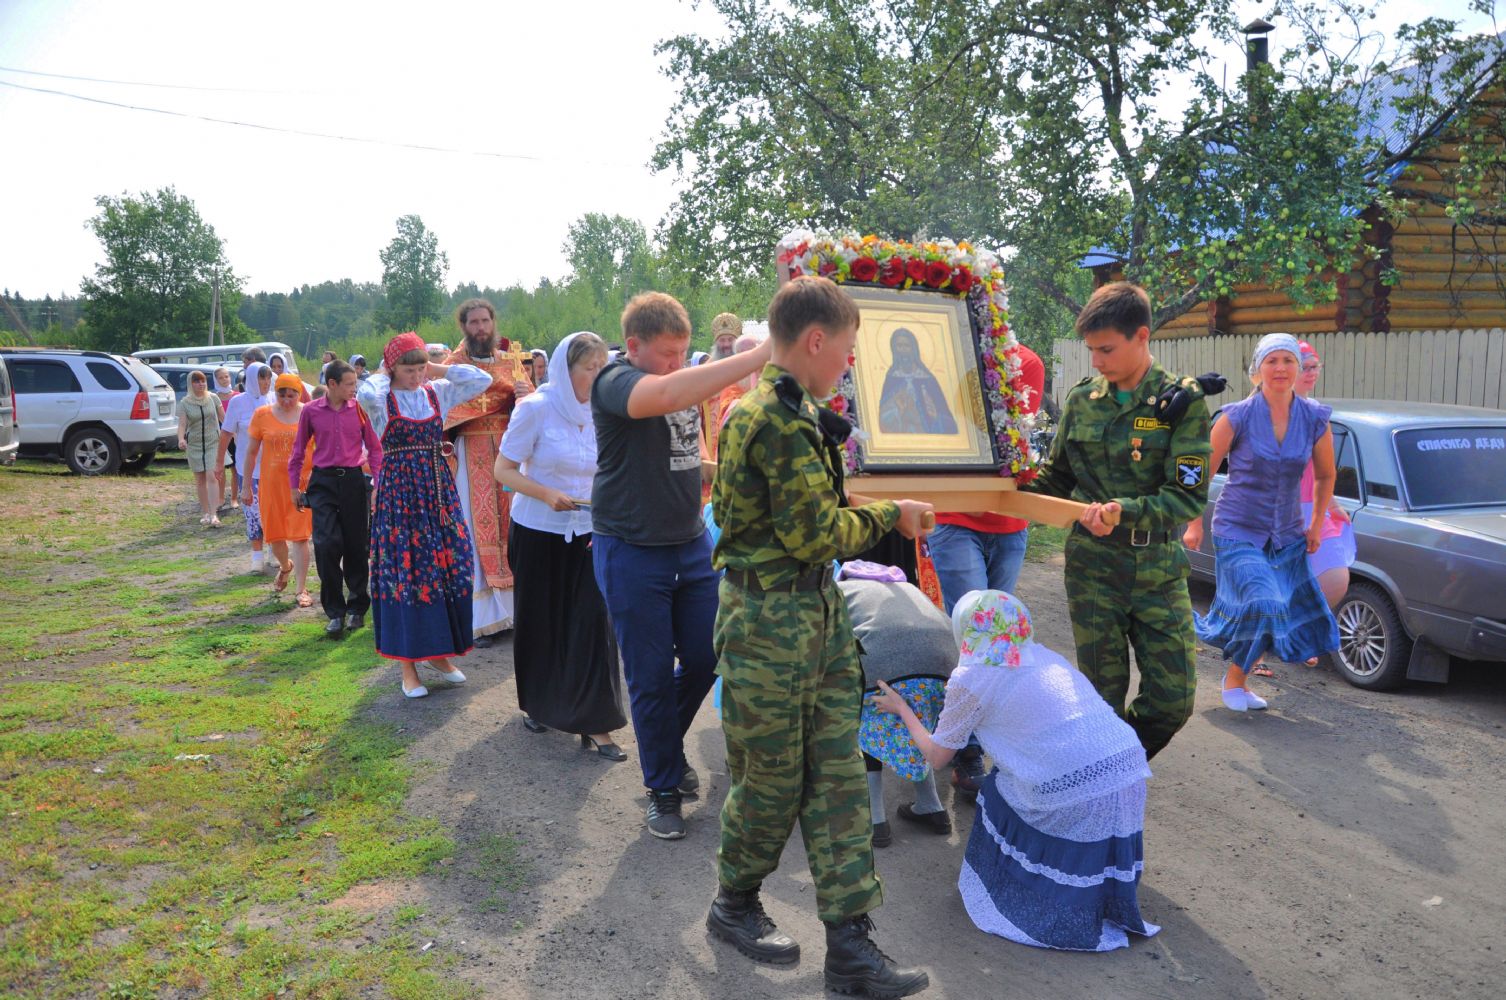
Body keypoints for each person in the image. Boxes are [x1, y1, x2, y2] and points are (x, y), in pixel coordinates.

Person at [707, 275, 932, 998]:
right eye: (845, 347)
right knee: (771, 783)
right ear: (814, 340)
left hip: (818, 616)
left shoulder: (799, 413)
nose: (848, 360)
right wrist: (890, 514)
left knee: (837, 780)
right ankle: (734, 901)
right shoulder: (772, 419)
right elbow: (814, 533)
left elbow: (815, 518)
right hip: (767, 626)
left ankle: (850, 948)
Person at [871, 589, 1159, 953]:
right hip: (1129, 771)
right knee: (1019, 777)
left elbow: (937, 757)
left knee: (995, 787)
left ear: (964, 631)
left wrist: (903, 709)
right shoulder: (1044, 655)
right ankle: (1100, 896)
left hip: (1074, 791)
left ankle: (1026, 895)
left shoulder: (971, 677)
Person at [591, 291, 771, 839]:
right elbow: (668, 392)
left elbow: (689, 456)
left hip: (690, 542)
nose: (676, 363)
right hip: (630, 548)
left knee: (708, 653)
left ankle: (663, 747)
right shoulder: (614, 381)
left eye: (682, 352)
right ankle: (663, 789)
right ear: (633, 347)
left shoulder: (675, 380)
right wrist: (763, 353)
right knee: (648, 674)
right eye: (667, 353)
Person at [1021, 282, 1211, 760]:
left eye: (1106, 349)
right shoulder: (1082, 400)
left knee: (1172, 701)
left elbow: (1187, 496)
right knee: (1100, 702)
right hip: (1093, 571)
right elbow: (1057, 477)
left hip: (1157, 572)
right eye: (1091, 350)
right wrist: (1002, 488)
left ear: (1141, 336)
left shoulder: (1179, 402)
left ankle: (1117, 762)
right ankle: (1105, 778)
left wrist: (1123, 511)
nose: (1096, 361)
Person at [1184, 333, 1341, 711]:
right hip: (1237, 527)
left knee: (1280, 607)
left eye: (1288, 361)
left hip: (1287, 533)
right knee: (1265, 602)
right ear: (1257, 369)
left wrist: (1315, 523)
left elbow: (1325, 475)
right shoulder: (1236, 416)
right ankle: (1208, 644)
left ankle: (1236, 681)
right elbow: (1198, 471)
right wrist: (1193, 523)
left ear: (1299, 369)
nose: (1281, 368)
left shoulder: (1314, 419)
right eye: (1272, 361)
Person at [494, 332, 627, 759]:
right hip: (538, 529)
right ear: (565, 371)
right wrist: (545, 493)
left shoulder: (605, 408)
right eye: (590, 368)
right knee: (542, 621)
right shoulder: (535, 408)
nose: (598, 375)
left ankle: (598, 724)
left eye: (602, 367)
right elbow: (504, 470)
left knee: (593, 623)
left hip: (590, 530)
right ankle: (539, 705)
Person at [928, 342, 1045, 800]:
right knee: (974, 636)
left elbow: (1008, 436)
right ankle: (967, 751)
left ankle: (985, 740)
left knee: (999, 642)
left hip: (1009, 522)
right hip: (955, 519)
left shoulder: (1026, 363)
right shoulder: (944, 359)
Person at [360, 332, 491, 698]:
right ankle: (408, 667)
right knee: (408, 573)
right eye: (409, 370)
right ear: (393, 369)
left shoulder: (435, 392)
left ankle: (440, 654)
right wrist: (386, 371)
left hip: (437, 493)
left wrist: (436, 366)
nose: (417, 376)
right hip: (401, 500)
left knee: (450, 567)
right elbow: (366, 393)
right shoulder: (382, 400)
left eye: (420, 369)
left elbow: (481, 380)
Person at [840, 568, 955, 847]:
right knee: (917, 722)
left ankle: (875, 820)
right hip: (944, 661)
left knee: (866, 722)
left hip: (882, 660)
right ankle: (932, 806)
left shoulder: (840, 590)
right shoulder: (904, 588)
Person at [444, 299, 534, 647]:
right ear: (464, 326)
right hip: (471, 453)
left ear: (493, 322)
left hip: (509, 456)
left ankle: (515, 612)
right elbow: (446, 408)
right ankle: (483, 619)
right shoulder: (454, 366)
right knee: (473, 529)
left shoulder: (511, 362)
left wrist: (524, 395)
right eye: (474, 322)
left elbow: (531, 407)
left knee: (514, 526)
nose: (480, 328)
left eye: (485, 321)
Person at [291, 359, 384, 637]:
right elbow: (298, 450)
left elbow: (375, 449)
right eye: (349, 384)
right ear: (332, 384)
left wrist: (378, 482)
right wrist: (294, 487)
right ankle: (334, 611)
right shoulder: (311, 411)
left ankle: (357, 608)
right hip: (323, 483)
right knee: (326, 544)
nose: (355, 388)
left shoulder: (359, 409)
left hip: (354, 481)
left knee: (356, 545)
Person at [243, 373, 316, 605]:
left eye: (291, 395)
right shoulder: (262, 414)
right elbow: (251, 453)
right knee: (275, 536)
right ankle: (285, 566)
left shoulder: (310, 413)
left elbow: (320, 447)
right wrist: (246, 486)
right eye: (282, 395)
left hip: (301, 486)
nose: (286, 400)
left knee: (301, 537)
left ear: (299, 394)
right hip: (271, 485)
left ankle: (301, 589)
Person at [1295, 342, 1355, 611]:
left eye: (1315, 367)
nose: (1312, 373)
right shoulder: (1269, 412)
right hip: (1279, 511)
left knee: (1335, 575)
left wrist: (1333, 504)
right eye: (1305, 367)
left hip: (1314, 508)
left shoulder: (1318, 412)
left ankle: (1303, 625)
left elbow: (1323, 470)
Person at [217, 362, 274, 573]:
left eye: (268, 378)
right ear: (251, 379)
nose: (266, 382)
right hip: (247, 468)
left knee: (272, 511)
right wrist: (219, 462)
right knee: (252, 512)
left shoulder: (274, 399)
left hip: (273, 468)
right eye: (261, 378)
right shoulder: (238, 402)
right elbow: (226, 433)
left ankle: (274, 550)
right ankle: (257, 556)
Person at [877, 328, 957, 434]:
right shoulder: (892, 379)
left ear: (913, 349)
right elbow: (883, 417)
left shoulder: (928, 379)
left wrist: (935, 415)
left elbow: (945, 415)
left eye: (907, 346)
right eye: (899, 346)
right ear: (894, 350)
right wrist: (897, 410)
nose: (903, 350)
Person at [177, 370, 224, 527]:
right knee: (200, 479)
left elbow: (223, 417)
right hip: (195, 445)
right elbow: (182, 424)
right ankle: (206, 512)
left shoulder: (213, 398)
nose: (201, 384)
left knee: (212, 476)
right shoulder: (185, 403)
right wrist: (181, 439)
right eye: (197, 381)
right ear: (191, 384)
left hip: (213, 442)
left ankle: (214, 514)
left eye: (203, 381)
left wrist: (233, 433)